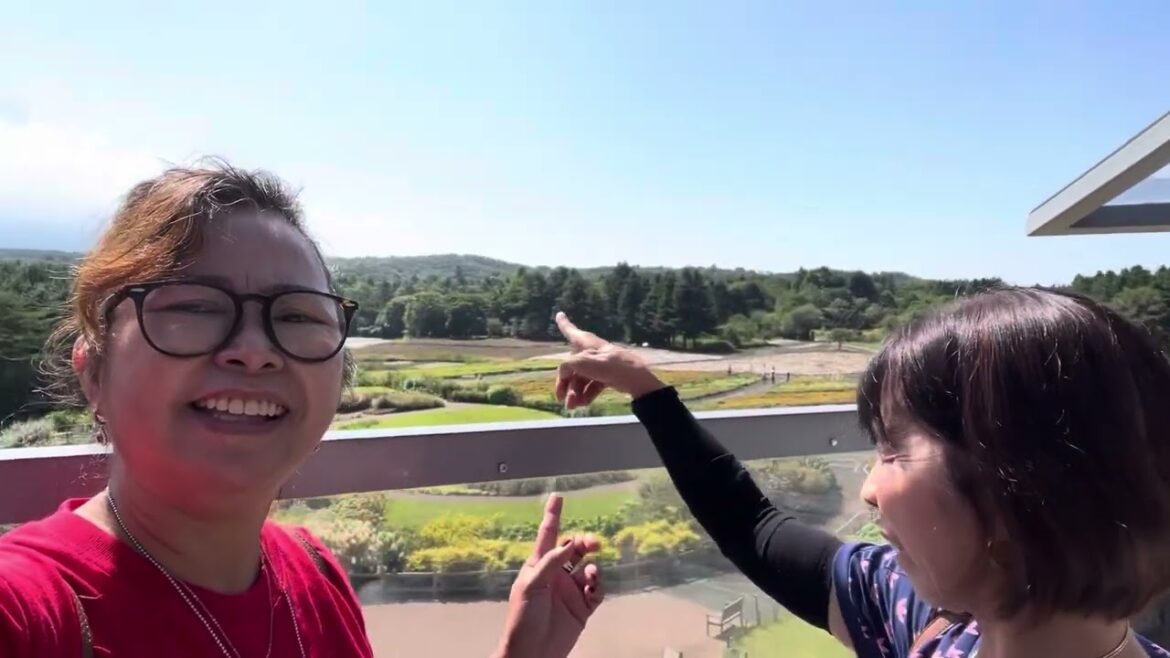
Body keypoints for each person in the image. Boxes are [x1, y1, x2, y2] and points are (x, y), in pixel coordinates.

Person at [0, 162, 604, 658]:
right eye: (196, 307)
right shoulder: (33, 611)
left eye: (296, 316)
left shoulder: (316, 576)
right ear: (93, 370)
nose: (254, 352)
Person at [552, 286, 1170, 658]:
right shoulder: (932, 623)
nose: (868, 489)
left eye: (893, 450)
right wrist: (645, 389)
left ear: (1016, 489)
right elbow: (754, 525)